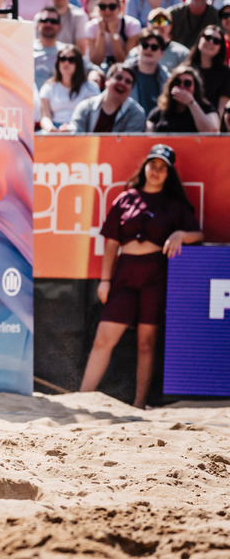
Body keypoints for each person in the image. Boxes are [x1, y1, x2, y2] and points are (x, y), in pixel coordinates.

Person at [80, 144, 203, 408]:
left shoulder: (175, 205)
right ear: (145, 167)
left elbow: (198, 234)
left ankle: (139, 403)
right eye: (152, 164)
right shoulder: (126, 198)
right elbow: (111, 242)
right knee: (104, 338)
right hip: (124, 273)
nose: (156, 171)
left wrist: (180, 234)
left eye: (162, 167)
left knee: (147, 342)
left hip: (155, 274)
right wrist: (105, 280)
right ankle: (82, 397)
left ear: (168, 173)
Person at [69, 62, 147, 132]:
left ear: (131, 89)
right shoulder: (85, 107)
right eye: (119, 78)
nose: (122, 83)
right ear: (107, 81)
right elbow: (77, 138)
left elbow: (128, 144)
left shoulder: (136, 114)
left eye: (128, 81)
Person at [39, 45, 100, 131]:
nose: (66, 63)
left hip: (81, 131)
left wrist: (72, 128)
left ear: (78, 63)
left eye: (71, 60)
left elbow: (93, 117)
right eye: (62, 59)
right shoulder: (48, 87)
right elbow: (45, 117)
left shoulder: (90, 87)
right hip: (55, 132)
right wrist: (50, 128)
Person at [146, 65, 220, 131]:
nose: (182, 86)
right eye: (177, 82)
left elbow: (211, 131)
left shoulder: (207, 109)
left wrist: (191, 102)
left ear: (195, 88)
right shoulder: (159, 112)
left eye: (187, 83)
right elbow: (148, 138)